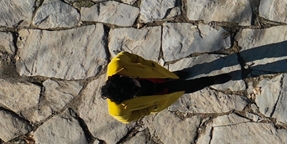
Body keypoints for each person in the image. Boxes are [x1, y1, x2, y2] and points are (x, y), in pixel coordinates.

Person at [101, 51, 235, 123]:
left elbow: (130, 57)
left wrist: (146, 64)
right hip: (160, 94)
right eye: (136, 87)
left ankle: (177, 75)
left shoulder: (117, 65)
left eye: (134, 80)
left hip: (154, 75)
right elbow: (131, 117)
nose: (138, 82)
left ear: (120, 77)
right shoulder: (117, 111)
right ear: (127, 98)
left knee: (170, 76)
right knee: (186, 87)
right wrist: (150, 109)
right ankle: (211, 80)